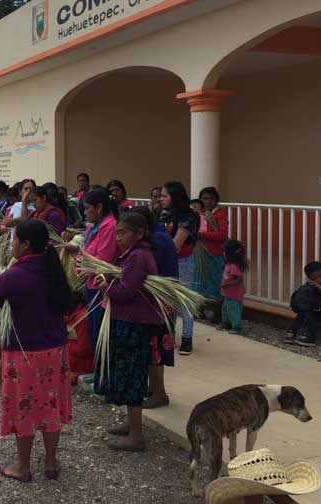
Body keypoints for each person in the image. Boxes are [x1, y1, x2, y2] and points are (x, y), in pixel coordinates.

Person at [0, 219, 73, 482]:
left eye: (14, 239)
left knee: (25, 408)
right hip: (55, 350)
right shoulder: (53, 268)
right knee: (49, 405)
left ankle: (22, 466)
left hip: (24, 355)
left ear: (26, 244)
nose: (12, 244)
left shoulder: (13, 275)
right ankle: (52, 462)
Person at [94, 212, 162, 451]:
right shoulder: (135, 254)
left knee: (132, 375)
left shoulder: (137, 257)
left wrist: (105, 286)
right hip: (130, 320)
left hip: (133, 322)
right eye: (117, 232)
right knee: (128, 373)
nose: (118, 237)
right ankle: (131, 423)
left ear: (140, 233)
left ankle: (136, 435)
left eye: (123, 233)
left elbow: (125, 291)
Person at [64, 189, 120, 382]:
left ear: (99, 207)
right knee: (93, 329)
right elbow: (84, 250)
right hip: (89, 284)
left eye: (87, 208)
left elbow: (104, 259)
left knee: (101, 332)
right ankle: (98, 371)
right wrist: (78, 263)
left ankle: (105, 376)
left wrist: (86, 268)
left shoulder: (110, 227)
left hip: (101, 285)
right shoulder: (92, 226)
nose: (85, 212)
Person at [134, 206, 178, 410]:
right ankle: (154, 388)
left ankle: (160, 393)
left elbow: (151, 271)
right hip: (161, 301)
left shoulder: (157, 241)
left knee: (155, 349)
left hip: (159, 303)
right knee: (155, 347)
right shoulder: (160, 236)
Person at [159, 181, 200, 355]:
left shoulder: (188, 216)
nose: (161, 199)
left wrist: (156, 248)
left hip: (182, 261)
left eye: (164, 196)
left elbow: (176, 244)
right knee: (169, 301)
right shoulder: (164, 214)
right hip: (167, 261)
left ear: (174, 197)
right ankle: (169, 335)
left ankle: (187, 338)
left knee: (184, 301)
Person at [285, 261, 321, 347]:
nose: (318, 280)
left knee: (310, 313)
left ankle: (310, 337)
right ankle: (293, 330)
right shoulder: (315, 286)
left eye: (320, 276)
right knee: (304, 311)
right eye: (314, 278)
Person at [195, 187, 230, 303]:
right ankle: (201, 308)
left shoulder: (220, 214)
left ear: (216, 200)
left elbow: (222, 235)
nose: (208, 201)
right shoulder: (199, 213)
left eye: (211, 199)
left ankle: (214, 311)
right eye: (205, 198)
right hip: (200, 254)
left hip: (215, 255)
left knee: (215, 284)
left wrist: (203, 235)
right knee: (201, 282)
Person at [219, 239, 248, 334]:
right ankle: (226, 323)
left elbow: (239, 279)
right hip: (228, 294)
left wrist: (227, 284)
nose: (223, 253)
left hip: (234, 294)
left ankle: (236, 326)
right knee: (226, 308)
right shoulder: (229, 264)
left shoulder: (234, 267)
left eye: (224, 251)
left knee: (233, 310)